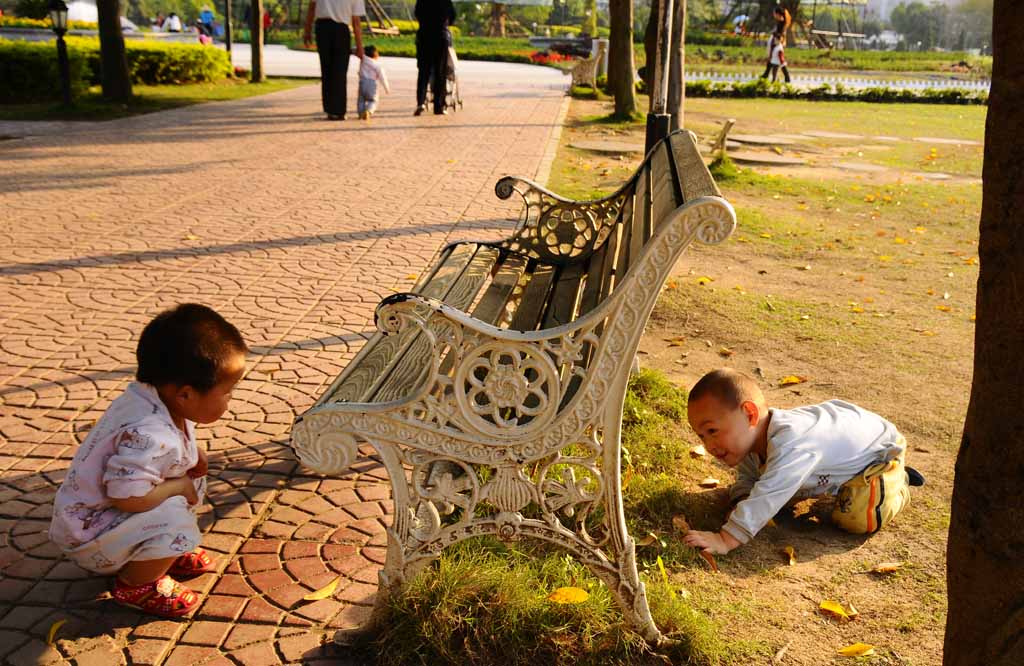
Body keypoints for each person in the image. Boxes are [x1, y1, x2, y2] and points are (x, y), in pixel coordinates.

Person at [49, 304, 247, 617]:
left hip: (97, 519)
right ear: (185, 394)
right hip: (90, 534)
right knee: (175, 513)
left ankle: (156, 550)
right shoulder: (151, 431)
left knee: (187, 483)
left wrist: (191, 459)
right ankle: (137, 583)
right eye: (228, 391)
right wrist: (178, 486)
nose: (230, 399)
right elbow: (126, 496)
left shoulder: (151, 397)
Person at [682, 369, 925, 556]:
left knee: (857, 518)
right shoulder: (752, 442)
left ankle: (899, 481)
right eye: (701, 436)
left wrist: (726, 539)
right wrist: (742, 499)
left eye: (712, 431)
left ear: (750, 414)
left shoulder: (792, 445)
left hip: (878, 451)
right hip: (840, 442)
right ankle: (841, 485)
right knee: (780, 488)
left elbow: (769, 492)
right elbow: (750, 479)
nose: (708, 445)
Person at [304, 0, 365, 121]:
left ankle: (330, 109)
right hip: (341, 30)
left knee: (326, 69)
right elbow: (356, 21)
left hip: (322, 28)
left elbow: (312, 8)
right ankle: (339, 110)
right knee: (340, 70)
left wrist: (307, 30)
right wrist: (359, 46)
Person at [414, 0, 456, 116]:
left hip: (424, 36)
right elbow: (452, 16)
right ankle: (438, 106)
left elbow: (417, 14)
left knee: (423, 72)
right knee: (440, 72)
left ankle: (421, 102)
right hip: (440, 37)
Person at [357, 45, 391, 120]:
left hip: (362, 82)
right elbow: (382, 77)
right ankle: (368, 111)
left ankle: (360, 113)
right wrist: (387, 88)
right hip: (372, 84)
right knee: (373, 101)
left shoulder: (363, 59)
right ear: (376, 54)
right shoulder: (377, 65)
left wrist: (360, 48)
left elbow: (354, 49)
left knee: (361, 100)